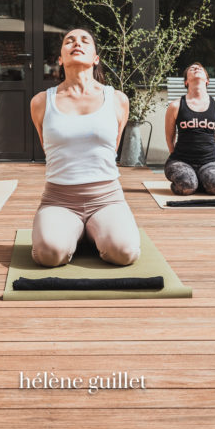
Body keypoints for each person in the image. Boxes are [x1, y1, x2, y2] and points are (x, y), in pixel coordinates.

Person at [29, 28, 140, 267]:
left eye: (84, 40)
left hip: (107, 198)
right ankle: (77, 232)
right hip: (59, 199)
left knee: (124, 252)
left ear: (96, 58)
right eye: (69, 41)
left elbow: (113, 148)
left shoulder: (118, 99)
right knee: (49, 254)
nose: (76, 43)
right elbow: (50, 150)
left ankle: (94, 231)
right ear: (60, 59)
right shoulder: (40, 102)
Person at [164, 62, 215, 195]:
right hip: (180, 161)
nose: (196, 68)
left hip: (210, 162)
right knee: (186, 186)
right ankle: (193, 181)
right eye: (192, 68)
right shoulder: (175, 105)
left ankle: (199, 180)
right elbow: (170, 137)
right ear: (186, 82)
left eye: (200, 68)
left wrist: (213, 155)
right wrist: (174, 155)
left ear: (207, 81)